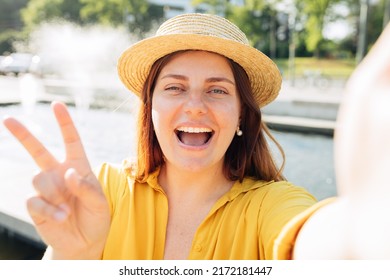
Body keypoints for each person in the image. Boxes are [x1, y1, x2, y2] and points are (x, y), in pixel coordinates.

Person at [2, 13, 390, 260]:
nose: (194, 106)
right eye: (174, 87)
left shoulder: (274, 205)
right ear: (149, 108)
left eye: (218, 90)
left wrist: (365, 221)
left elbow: (330, 243)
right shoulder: (102, 191)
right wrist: (74, 256)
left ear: (242, 114)